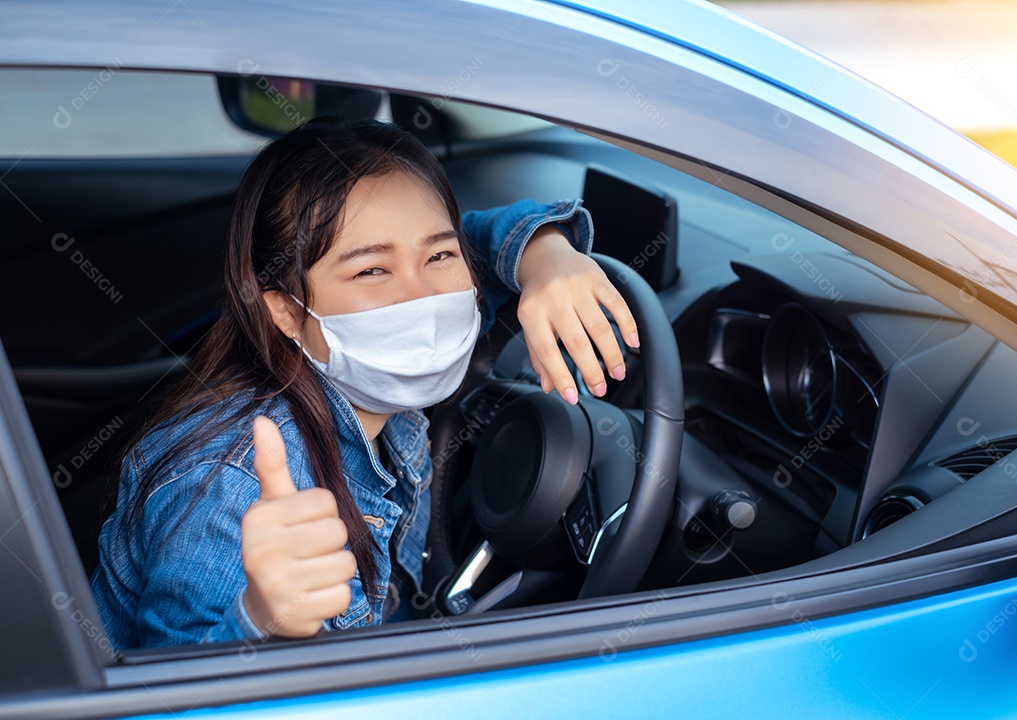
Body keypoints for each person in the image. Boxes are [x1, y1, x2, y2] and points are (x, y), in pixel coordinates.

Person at [91, 117, 638, 648]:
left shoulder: (361, 377)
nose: (424, 296)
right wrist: (261, 624)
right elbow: (177, 701)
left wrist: (545, 255)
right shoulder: (232, 487)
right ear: (284, 310)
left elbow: (475, 238)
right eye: (371, 270)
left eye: (439, 255)